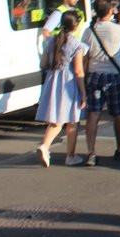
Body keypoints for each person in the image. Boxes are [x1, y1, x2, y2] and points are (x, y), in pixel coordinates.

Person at [82, 0, 120, 165]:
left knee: (94, 114)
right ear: (110, 11)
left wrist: (83, 78)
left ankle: (91, 153)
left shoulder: (88, 31)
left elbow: (85, 56)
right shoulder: (118, 29)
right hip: (114, 76)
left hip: (94, 74)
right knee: (118, 114)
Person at [34, 10, 88, 167]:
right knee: (72, 120)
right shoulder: (77, 44)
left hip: (53, 79)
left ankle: (45, 145)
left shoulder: (52, 41)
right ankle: (70, 156)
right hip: (68, 82)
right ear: (76, 25)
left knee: (56, 120)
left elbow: (43, 64)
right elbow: (78, 71)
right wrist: (83, 93)